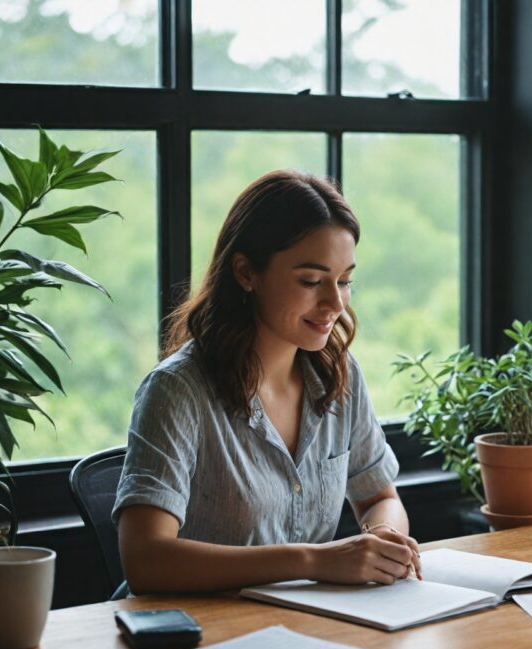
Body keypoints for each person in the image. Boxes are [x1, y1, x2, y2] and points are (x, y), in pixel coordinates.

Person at [113, 169, 421, 594]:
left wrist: (383, 537)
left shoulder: (339, 375)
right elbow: (145, 560)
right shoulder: (177, 390)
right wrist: (314, 560)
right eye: (311, 281)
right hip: (200, 636)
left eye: (345, 280)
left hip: (303, 629)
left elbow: (379, 498)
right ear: (245, 272)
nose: (335, 302)